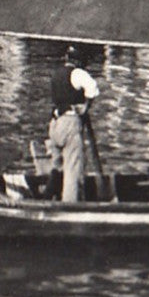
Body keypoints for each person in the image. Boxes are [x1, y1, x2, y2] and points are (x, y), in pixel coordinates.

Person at [43, 45, 100, 201]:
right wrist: (86, 107)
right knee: (72, 168)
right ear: (80, 61)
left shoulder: (56, 74)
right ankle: (69, 205)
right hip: (69, 122)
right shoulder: (78, 73)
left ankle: (48, 198)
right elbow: (93, 89)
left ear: (66, 58)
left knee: (57, 166)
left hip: (54, 124)